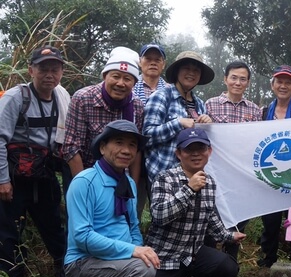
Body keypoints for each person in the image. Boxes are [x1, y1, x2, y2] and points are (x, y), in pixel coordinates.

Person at [64, 120, 165, 277]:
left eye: (132, 145)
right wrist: (135, 256)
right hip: (83, 265)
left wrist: (139, 262)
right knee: (143, 268)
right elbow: (82, 237)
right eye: (119, 142)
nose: (127, 150)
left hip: (120, 265)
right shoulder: (84, 182)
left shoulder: (127, 182)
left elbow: (132, 228)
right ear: (102, 147)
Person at [146, 128, 245, 277]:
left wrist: (229, 236)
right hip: (164, 257)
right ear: (178, 153)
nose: (196, 154)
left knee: (228, 267)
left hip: (193, 252)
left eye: (201, 148)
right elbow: (159, 216)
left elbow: (210, 217)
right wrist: (189, 189)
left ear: (210, 151)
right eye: (189, 149)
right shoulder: (164, 179)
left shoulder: (210, 182)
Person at [0, 45, 71, 277]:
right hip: (15, 178)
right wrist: (3, 180)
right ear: (31, 70)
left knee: (54, 226)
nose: (49, 74)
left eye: (55, 69)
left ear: (61, 72)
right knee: (9, 231)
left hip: (44, 177)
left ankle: (66, 275)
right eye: (43, 69)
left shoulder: (62, 98)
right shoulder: (15, 97)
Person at [62, 47, 144, 184]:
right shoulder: (83, 98)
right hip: (85, 173)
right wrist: (84, 186)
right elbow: (72, 148)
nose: (120, 83)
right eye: (116, 76)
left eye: (127, 79)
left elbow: (136, 150)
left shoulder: (137, 106)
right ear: (105, 76)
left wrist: (132, 188)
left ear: (134, 83)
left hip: (120, 178)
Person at [204, 60, 261, 259]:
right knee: (211, 210)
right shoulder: (210, 104)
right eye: (234, 78)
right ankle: (210, 259)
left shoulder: (254, 110)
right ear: (225, 79)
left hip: (241, 172)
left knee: (239, 213)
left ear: (248, 83)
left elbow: (257, 140)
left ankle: (231, 259)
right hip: (216, 171)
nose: (238, 82)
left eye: (242, 79)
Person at [257, 65, 291, 268]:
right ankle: (268, 258)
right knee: (270, 221)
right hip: (269, 177)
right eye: (279, 81)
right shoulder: (262, 112)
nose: (283, 86)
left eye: (288, 82)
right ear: (272, 85)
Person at [143, 51, 214, 183]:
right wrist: (178, 123)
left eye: (196, 70)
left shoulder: (200, 104)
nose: (191, 73)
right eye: (186, 68)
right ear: (177, 71)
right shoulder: (161, 96)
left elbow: (204, 143)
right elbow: (146, 137)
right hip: (162, 177)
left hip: (192, 178)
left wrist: (208, 125)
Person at [133, 43, 167, 219]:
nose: (153, 63)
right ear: (140, 61)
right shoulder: (129, 86)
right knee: (133, 207)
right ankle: (134, 244)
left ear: (164, 64)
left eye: (157, 59)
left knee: (162, 209)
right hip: (132, 158)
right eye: (148, 59)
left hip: (161, 161)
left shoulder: (171, 91)